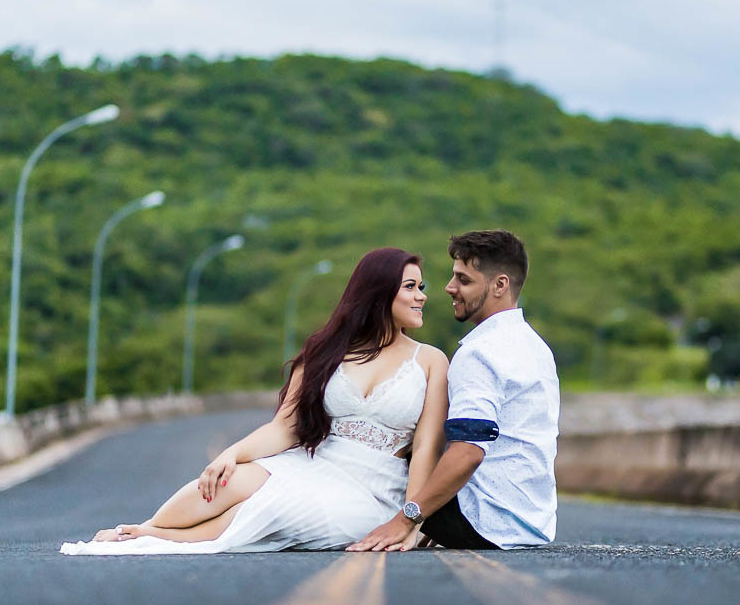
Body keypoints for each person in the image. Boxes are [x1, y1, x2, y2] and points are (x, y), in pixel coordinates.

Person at [60, 247, 449, 555]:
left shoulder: (430, 361)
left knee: (274, 509)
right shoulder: (328, 352)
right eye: (411, 287)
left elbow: (426, 449)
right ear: (379, 292)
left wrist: (409, 522)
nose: (422, 296)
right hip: (316, 465)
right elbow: (286, 427)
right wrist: (231, 454)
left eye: (421, 286)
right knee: (229, 479)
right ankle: (144, 528)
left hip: (375, 492)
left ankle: (157, 538)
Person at [347, 229, 559, 552]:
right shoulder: (537, 347)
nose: (449, 288)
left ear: (500, 285)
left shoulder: (479, 352)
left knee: (393, 441)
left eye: (463, 280)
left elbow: (468, 453)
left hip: (483, 524)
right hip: (532, 523)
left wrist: (408, 519)